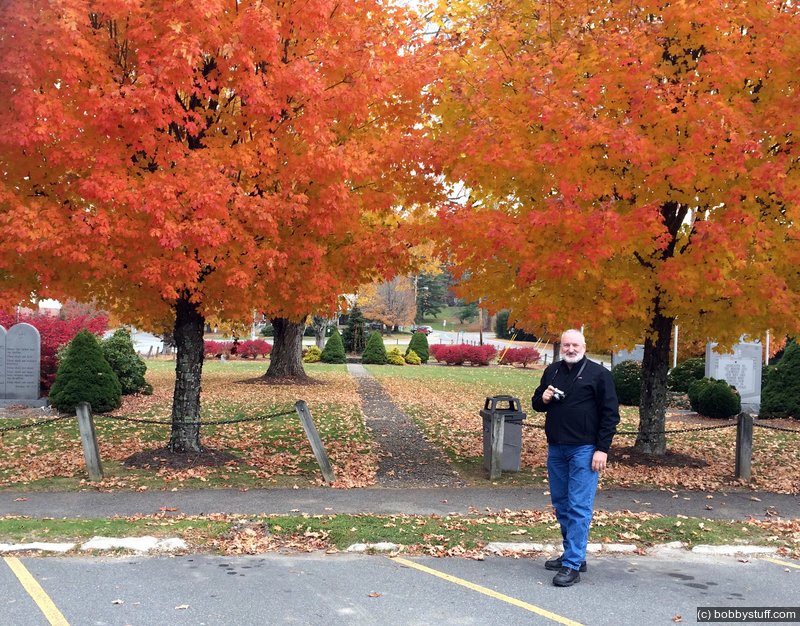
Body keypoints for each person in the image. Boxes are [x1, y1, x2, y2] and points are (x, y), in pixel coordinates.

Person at [531, 329, 620, 587]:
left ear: (584, 346)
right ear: (561, 347)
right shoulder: (553, 371)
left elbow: (610, 415)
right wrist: (543, 398)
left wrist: (602, 449)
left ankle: (572, 566)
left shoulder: (599, 374)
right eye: (566, 345)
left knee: (579, 506)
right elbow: (537, 403)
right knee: (562, 504)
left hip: (585, 450)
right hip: (556, 448)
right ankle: (573, 555)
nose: (570, 349)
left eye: (575, 345)